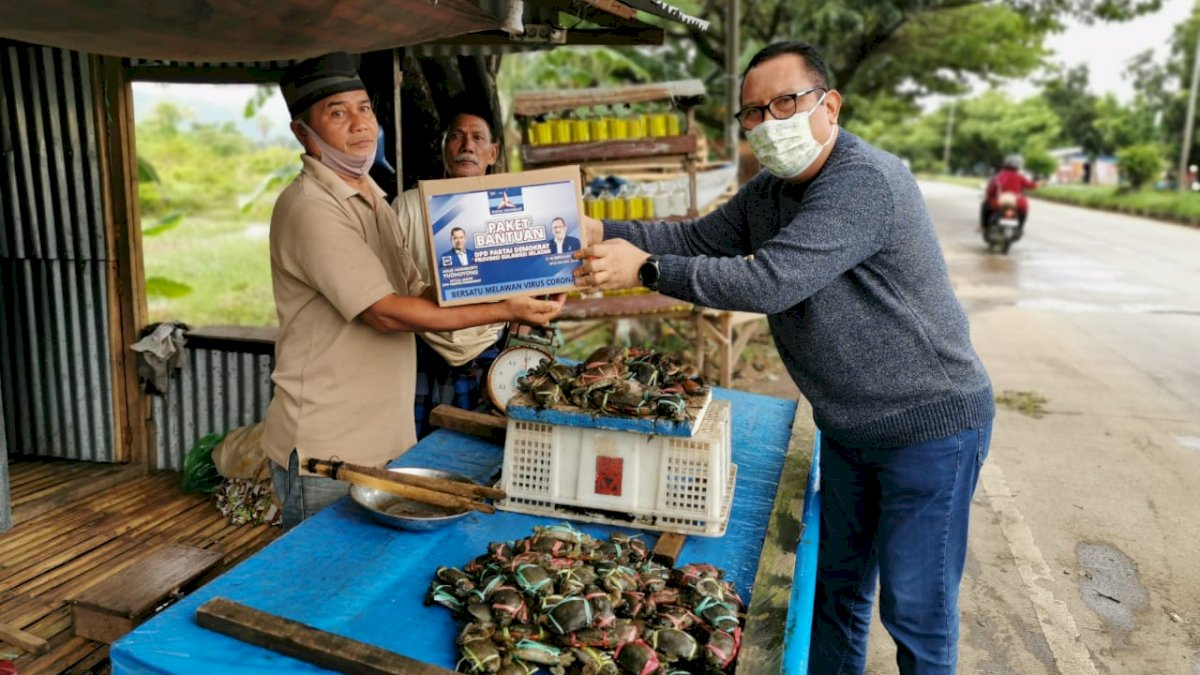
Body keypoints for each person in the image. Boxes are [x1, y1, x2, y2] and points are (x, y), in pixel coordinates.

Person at [574, 41, 993, 675]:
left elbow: (769, 281)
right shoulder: (768, 192)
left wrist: (648, 270)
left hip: (928, 427)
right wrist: (602, 231)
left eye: (785, 103)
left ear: (830, 106)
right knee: (837, 596)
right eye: (752, 111)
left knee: (916, 612)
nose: (769, 122)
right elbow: (696, 237)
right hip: (849, 427)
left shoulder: (865, 180)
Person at [263, 52, 564, 529]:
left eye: (364, 108)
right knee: (324, 583)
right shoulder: (310, 207)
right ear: (303, 132)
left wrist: (523, 294)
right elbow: (385, 312)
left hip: (383, 439)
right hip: (327, 447)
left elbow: (420, 293)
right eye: (337, 113)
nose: (359, 124)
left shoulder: (372, 200)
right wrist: (502, 307)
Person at [393, 102, 511, 437]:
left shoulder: (508, 209)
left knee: (479, 452)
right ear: (444, 147)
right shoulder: (408, 205)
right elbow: (388, 285)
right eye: (456, 137)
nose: (467, 146)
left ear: (492, 152)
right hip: (422, 346)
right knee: (413, 448)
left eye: (477, 138)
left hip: (487, 349)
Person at [982, 154, 1037, 238]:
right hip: (1017, 203)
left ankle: (984, 227)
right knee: (1024, 210)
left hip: (998, 202)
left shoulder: (999, 175)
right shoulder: (1020, 177)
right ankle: (1020, 228)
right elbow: (1031, 186)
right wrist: (1038, 183)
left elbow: (991, 188)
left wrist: (988, 195)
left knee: (985, 205)